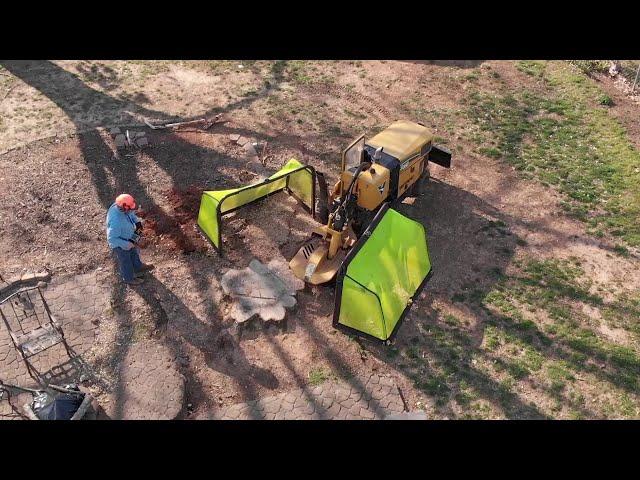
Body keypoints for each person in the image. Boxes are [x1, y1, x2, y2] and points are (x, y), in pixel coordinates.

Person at [106, 193, 154, 285]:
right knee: (126, 261)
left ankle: (138, 267)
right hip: (120, 244)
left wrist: (137, 223)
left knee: (134, 253)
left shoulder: (120, 206)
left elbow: (130, 214)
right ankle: (129, 278)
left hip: (129, 236)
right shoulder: (116, 222)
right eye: (130, 208)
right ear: (124, 208)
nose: (132, 210)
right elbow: (111, 239)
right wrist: (127, 244)